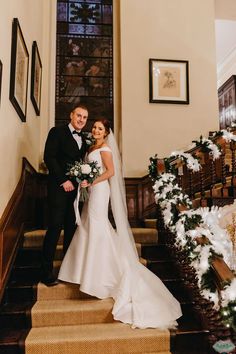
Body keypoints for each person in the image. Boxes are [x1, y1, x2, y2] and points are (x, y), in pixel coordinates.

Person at [58, 119, 182, 329]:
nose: (96, 130)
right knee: (89, 225)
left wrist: (92, 180)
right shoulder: (92, 147)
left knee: (97, 225)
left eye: (100, 129)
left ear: (106, 133)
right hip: (92, 190)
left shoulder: (105, 148)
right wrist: (85, 178)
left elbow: (110, 172)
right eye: (95, 127)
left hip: (100, 190)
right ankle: (82, 270)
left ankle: (98, 275)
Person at [41, 104, 90, 286]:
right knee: (55, 228)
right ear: (71, 115)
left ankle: (67, 271)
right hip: (58, 188)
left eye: (84, 117)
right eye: (78, 115)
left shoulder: (84, 140)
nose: (81, 120)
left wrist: (84, 181)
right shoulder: (57, 132)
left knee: (71, 229)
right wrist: (63, 180)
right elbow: (49, 157)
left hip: (75, 192)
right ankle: (46, 273)